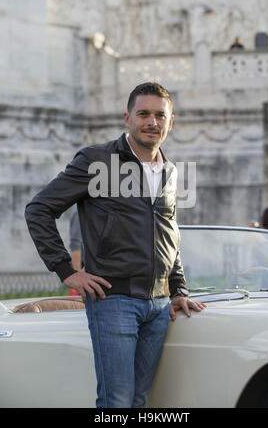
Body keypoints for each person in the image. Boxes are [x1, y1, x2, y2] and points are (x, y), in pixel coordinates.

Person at [25, 82, 207, 408]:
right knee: (116, 402)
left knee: (139, 400)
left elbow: (168, 233)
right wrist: (66, 270)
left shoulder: (170, 171)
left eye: (160, 115)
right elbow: (39, 209)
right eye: (144, 114)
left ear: (171, 121)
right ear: (127, 117)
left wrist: (178, 289)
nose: (152, 122)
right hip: (114, 300)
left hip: (160, 306)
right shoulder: (97, 161)